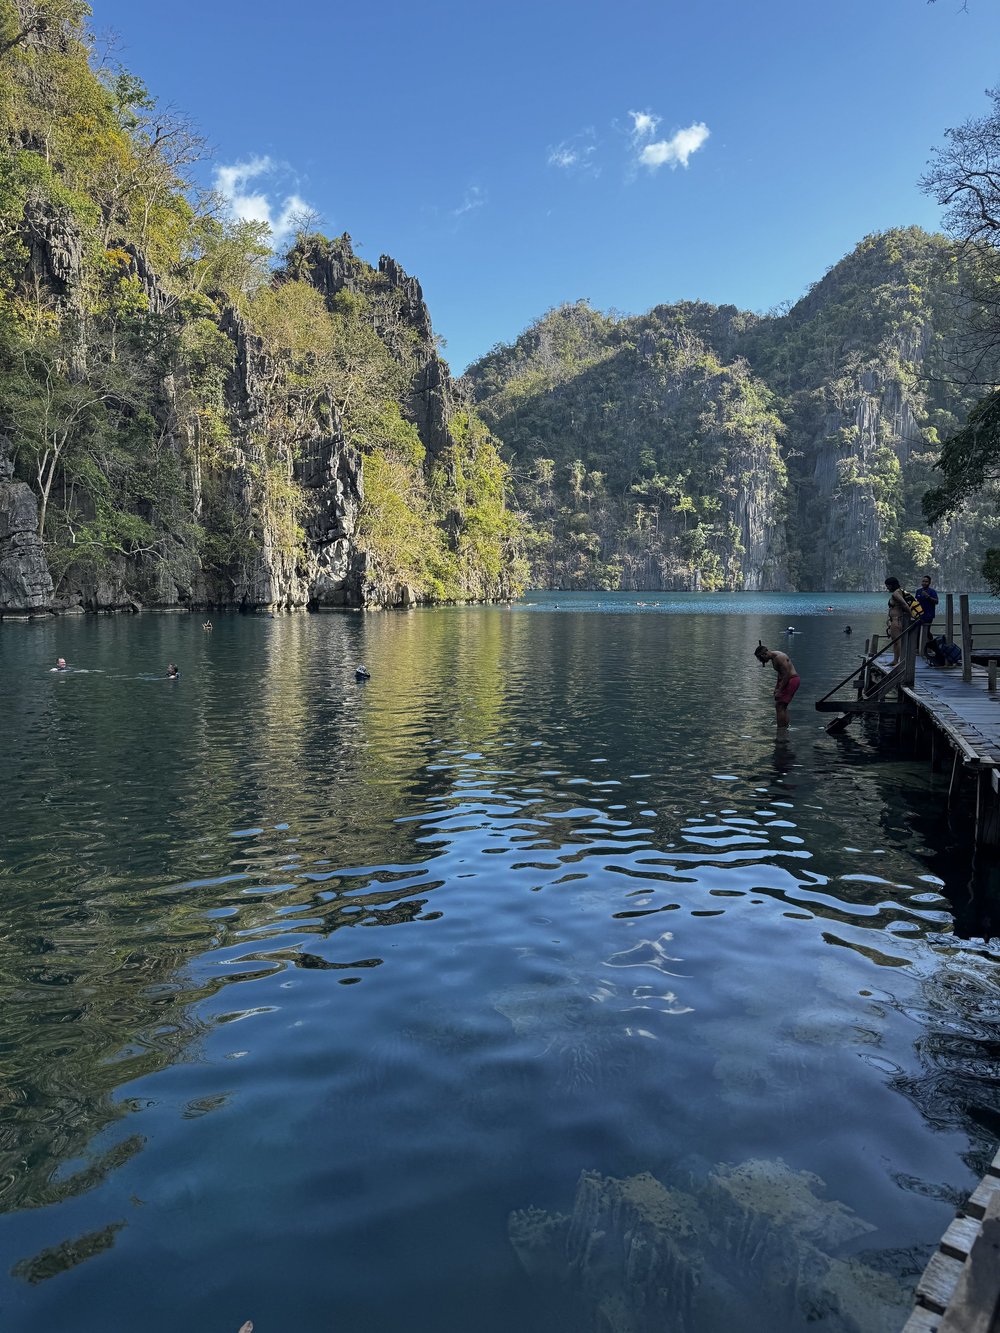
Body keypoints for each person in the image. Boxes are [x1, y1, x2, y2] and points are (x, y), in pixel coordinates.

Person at [754, 641, 801, 728]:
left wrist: (780, 690)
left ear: (764, 654)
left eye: (761, 659)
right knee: (781, 705)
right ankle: (784, 727)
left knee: (780, 706)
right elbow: (781, 674)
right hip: (787, 680)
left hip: (792, 680)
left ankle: (781, 728)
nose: (762, 662)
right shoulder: (773, 657)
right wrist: (777, 688)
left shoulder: (779, 657)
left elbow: (787, 674)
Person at [884, 577, 911, 666]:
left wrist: (911, 615)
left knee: (896, 641)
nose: (887, 587)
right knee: (896, 641)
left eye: (887, 586)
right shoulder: (900, 591)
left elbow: (904, 604)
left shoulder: (896, 594)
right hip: (896, 620)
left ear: (891, 585)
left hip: (896, 620)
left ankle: (896, 660)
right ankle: (896, 659)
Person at [914, 574, 939, 652]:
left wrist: (928, 596)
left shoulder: (932, 592)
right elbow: (916, 602)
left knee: (927, 631)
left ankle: (932, 645)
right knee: (917, 631)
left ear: (929, 583)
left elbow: (936, 601)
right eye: (923, 581)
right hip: (919, 615)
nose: (924, 583)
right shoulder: (918, 591)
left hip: (928, 615)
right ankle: (918, 648)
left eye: (926, 581)